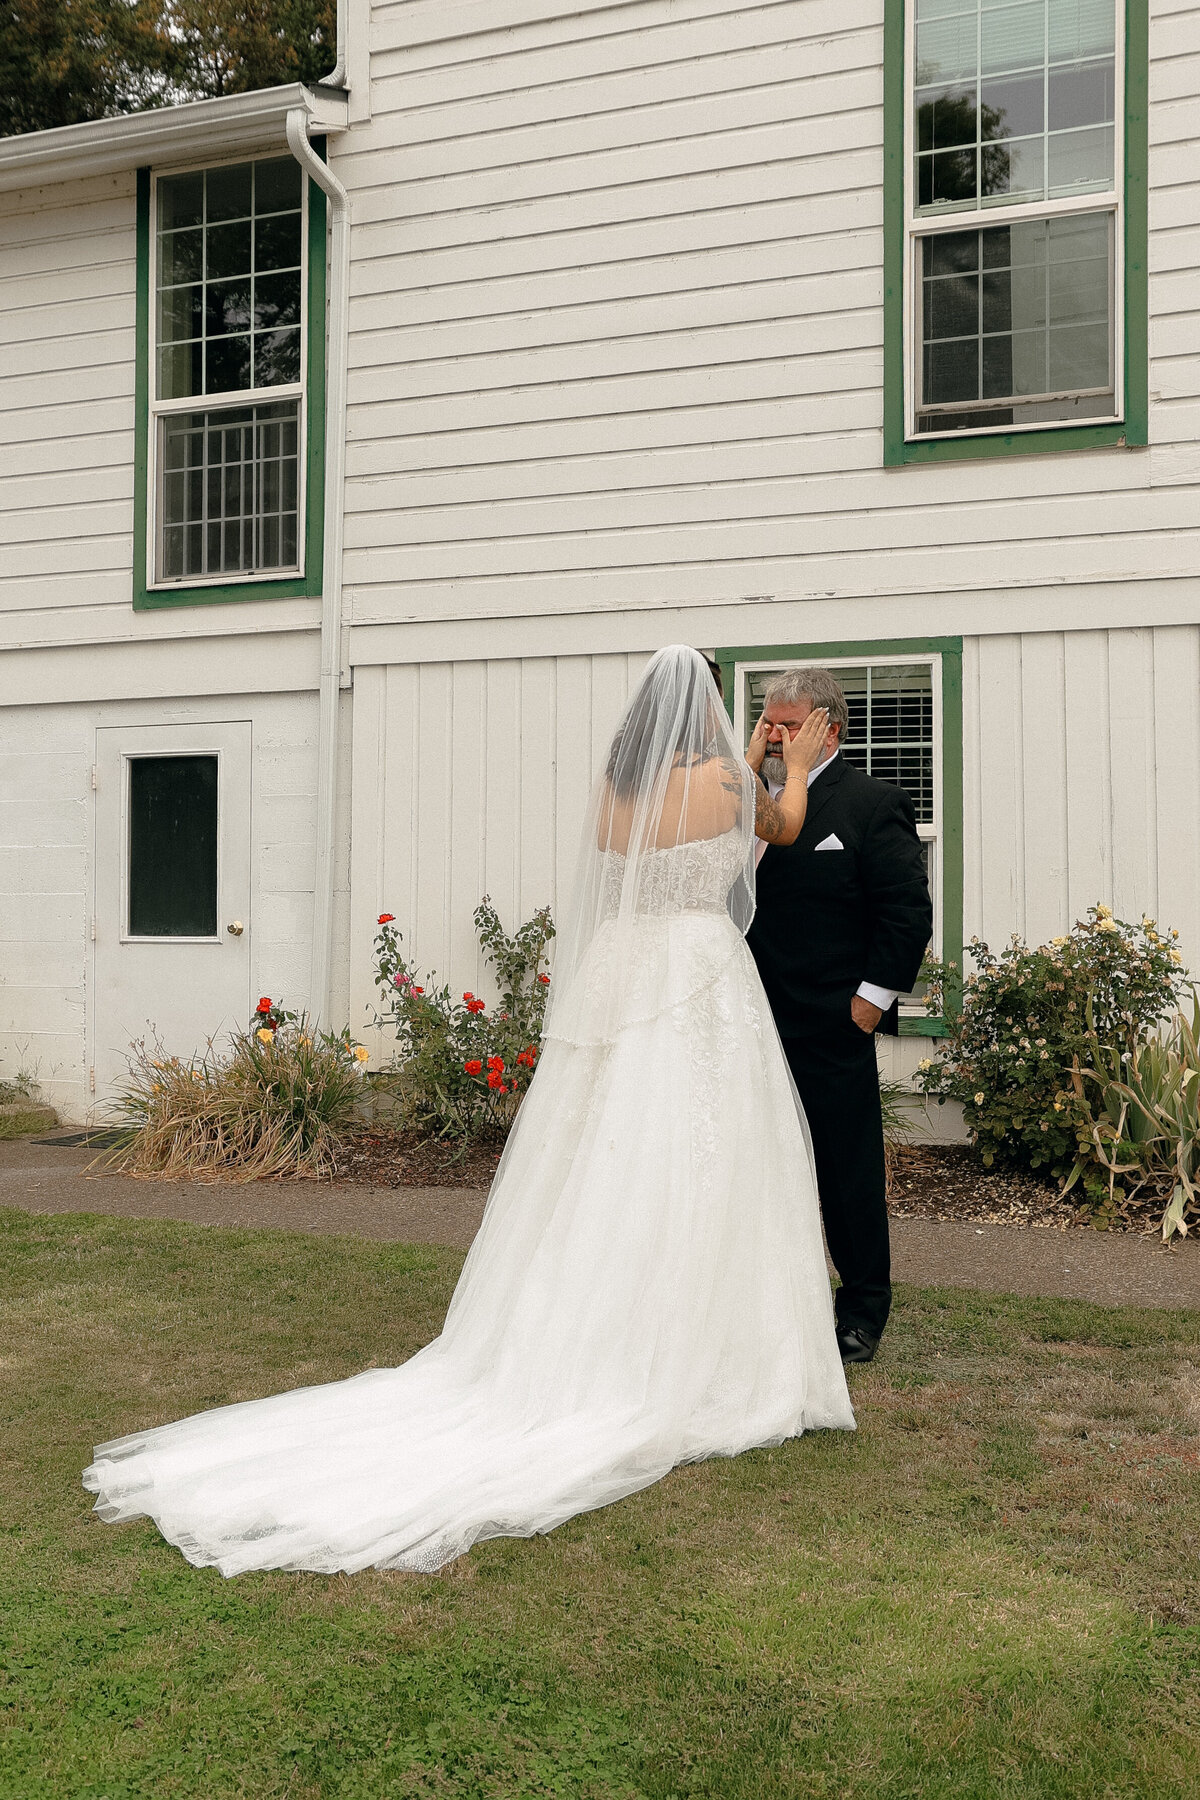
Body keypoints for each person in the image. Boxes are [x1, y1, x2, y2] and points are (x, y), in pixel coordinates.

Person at [83, 647, 854, 1578]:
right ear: (708, 717)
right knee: (706, 1152)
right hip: (693, 976)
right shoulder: (734, 782)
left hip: (622, 970)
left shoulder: (618, 795)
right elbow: (786, 825)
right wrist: (797, 764)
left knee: (604, 1152)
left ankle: (585, 1320)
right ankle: (698, 1343)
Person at [745, 668, 933, 1366]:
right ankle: (767, 1303)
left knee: (845, 1171)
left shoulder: (870, 803)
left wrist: (870, 1001)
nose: (775, 735)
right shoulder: (743, 798)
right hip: (744, 1018)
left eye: (789, 725)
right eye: (769, 721)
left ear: (831, 727)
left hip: (830, 1021)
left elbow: (906, 911)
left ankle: (861, 1312)